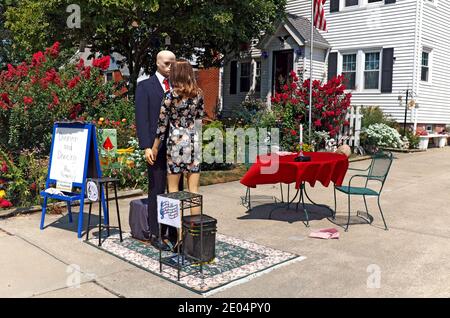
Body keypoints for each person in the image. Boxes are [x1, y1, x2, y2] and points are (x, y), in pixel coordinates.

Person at [150, 59, 205, 247]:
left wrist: (155, 147)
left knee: (173, 192)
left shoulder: (169, 96)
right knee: (194, 192)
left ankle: (179, 238)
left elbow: (161, 125)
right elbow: (199, 122)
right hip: (194, 143)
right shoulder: (199, 95)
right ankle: (195, 238)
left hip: (175, 144)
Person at [134, 50, 182, 251]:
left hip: (177, 147)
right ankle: (155, 232)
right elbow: (142, 119)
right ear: (157, 63)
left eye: (173, 63)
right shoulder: (145, 87)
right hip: (155, 147)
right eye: (167, 63)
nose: (171, 67)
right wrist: (146, 146)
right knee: (156, 189)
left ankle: (173, 232)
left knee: (175, 191)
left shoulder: (179, 86)